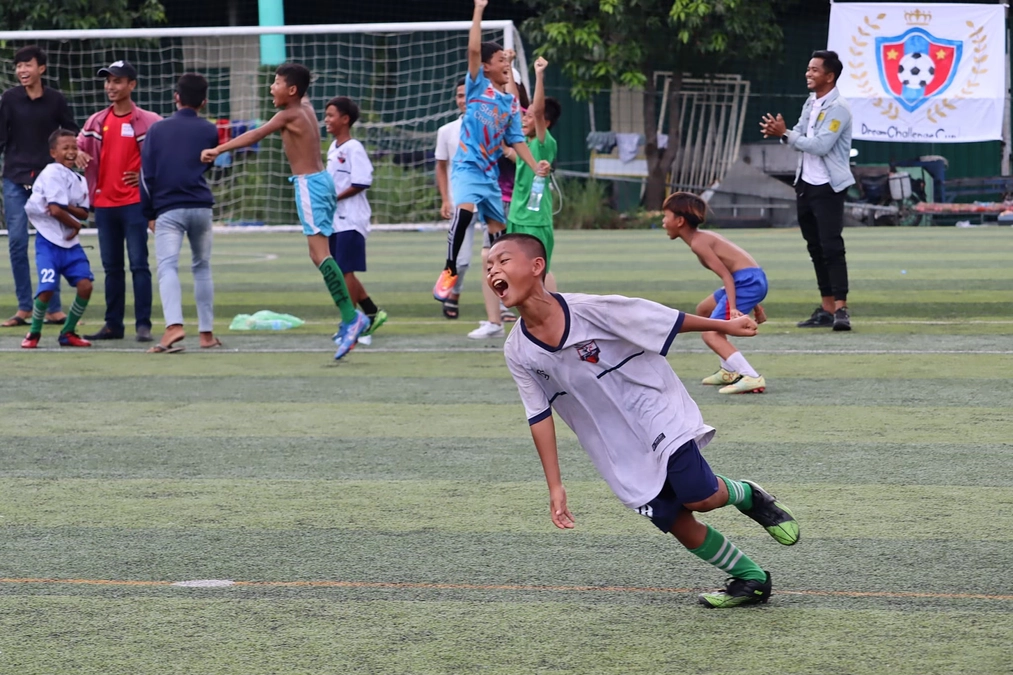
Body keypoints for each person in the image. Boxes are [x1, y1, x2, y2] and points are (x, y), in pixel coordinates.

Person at [490, 233, 799, 608]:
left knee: (700, 498)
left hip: (654, 407)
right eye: (489, 266)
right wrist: (555, 486)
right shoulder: (517, 350)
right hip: (613, 444)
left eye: (503, 261)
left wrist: (724, 327)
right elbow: (538, 415)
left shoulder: (589, 309)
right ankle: (752, 580)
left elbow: (658, 317)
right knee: (675, 521)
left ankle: (749, 495)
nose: (493, 271)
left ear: (537, 267)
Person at [201, 63, 368, 360]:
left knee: (321, 255)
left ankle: (351, 318)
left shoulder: (288, 113)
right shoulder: (305, 107)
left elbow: (255, 135)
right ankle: (349, 317)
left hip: (310, 186)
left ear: (292, 90)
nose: (271, 87)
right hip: (320, 183)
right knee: (318, 254)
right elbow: (302, 91)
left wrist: (218, 149)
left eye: (276, 83)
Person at [432, 0, 550, 308]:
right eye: (500, 61)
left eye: (506, 62)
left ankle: (503, 281)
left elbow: (517, 140)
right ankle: (449, 269)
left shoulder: (509, 104)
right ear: (486, 67)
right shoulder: (477, 88)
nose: (505, 65)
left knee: (500, 235)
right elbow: (474, 50)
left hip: (489, 176)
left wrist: (534, 165)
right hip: (467, 168)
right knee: (464, 212)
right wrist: (478, 10)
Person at [760, 49, 854, 332]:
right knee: (815, 247)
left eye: (814, 70)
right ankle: (826, 308)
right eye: (808, 68)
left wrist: (785, 134)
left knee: (832, 247)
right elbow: (799, 133)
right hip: (806, 185)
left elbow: (821, 145)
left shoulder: (839, 108)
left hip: (828, 187)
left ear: (829, 76)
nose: (808, 74)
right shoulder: (810, 102)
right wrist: (783, 133)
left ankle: (841, 309)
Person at [78, 60, 161, 343]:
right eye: (108, 81)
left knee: (139, 265)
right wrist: (77, 154)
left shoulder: (149, 120)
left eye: (117, 81)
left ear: (131, 85)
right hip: (104, 205)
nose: (111, 87)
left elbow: (164, 153)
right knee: (111, 268)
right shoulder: (96, 121)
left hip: (135, 203)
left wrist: (144, 176)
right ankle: (113, 325)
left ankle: (143, 325)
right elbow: (75, 147)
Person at [141, 73, 221, 354]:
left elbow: (146, 175)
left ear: (176, 97)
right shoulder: (210, 130)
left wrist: (148, 212)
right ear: (204, 101)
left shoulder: (157, 130)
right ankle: (206, 333)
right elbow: (207, 164)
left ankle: (174, 326)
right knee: (202, 266)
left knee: (167, 266)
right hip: (201, 205)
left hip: (169, 208)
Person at [0, 45, 79, 328]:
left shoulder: (56, 99)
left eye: (27, 65)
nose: (22, 70)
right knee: (17, 242)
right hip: (15, 178)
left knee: (51, 241)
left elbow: (70, 131)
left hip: (48, 182)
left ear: (41, 69)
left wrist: (75, 152)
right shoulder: (9, 99)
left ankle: (53, 307)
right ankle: (24, 307)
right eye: (18, 66)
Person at [662, 192, 768, 394]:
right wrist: (756, 306)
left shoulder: (698, 243)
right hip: (750, 280)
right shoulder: (701, 238)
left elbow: (727, 276)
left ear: (680, 221)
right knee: (704, 310)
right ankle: (729, 371)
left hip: (746, 282)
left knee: (711, 333)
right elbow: (736, 271)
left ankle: (751, 376)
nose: (663, 222)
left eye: (665, 216)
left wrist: (734, 309)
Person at [20, 130, 93, 349]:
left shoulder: (79, 179)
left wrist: (68, 209)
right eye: (65, 148)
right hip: (49, 242)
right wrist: (76, 224)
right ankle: (34, 332)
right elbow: (55, 209)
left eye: (74, 147)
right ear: (53, 152)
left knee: (85, 286)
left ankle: (68, 332)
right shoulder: (51, 172)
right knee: (47, 288)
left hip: (70, 245)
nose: (71, 152)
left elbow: (83, 212)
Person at [324, 96, 387, 340]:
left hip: (351, 219)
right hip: (335, 221)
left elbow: (361, 181)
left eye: (331, 115)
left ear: (345, 119)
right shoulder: (334, 148)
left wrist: (335, 198)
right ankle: (371, 312)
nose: (326, 120)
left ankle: (350, 323)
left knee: (344, 272)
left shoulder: (354, 148)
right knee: (341, 271)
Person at [506, 56, 561, 294]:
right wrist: (509, 68)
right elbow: (512, 104)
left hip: (535, 220)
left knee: (538, 273)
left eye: (528, 117)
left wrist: (539, 75)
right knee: (517, 272)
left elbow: (537, 111)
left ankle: (554, 309)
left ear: (544, 123)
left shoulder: (544, 143)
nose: (524, 119)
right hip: (516, 216)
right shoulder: (524, 144)